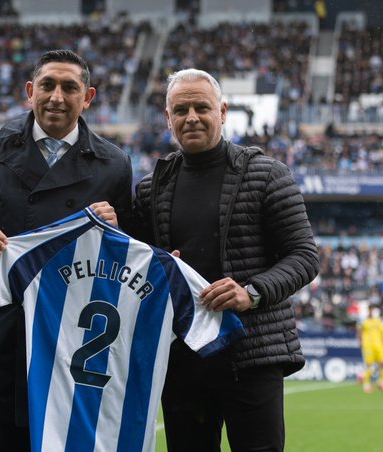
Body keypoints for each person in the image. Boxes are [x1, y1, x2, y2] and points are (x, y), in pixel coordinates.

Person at [0, 49, 133, 451]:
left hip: (76, 345)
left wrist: (118, 230)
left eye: (69, 88)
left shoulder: (114, 164)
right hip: (6, 339)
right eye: (47, 85)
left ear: (88, 97)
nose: (57, 96)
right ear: (30, 91)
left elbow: (129, 256)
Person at [132, 68, 320, 452]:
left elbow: (304, 256)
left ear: (222, 111)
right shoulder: (152, 188)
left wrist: (251, 293)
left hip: (251, 354)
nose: (191, 117)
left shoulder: (267, 174)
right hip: (184, 356)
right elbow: (136, 265)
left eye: (201, 107)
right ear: (168, 118)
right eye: (180, 110)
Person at [358, 304, 383, 394]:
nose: (372, 312)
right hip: (368, 345)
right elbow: (360, 331)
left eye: (373, 310)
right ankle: (367, 384)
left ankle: (381, 382)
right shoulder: (364, 320)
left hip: (379, 345)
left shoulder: (378, 320)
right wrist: (360, 342)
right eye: (370, 310)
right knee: (369, 364)